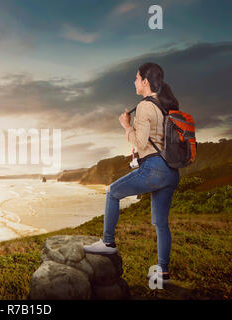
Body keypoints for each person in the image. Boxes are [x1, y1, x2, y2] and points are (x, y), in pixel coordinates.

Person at [83, 62, 180, 284]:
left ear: (145, 81)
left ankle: (108, 243)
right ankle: (162, 272)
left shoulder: (146, 106)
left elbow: (140, 141)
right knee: (161, 223)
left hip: (154, 168)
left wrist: (126, 126)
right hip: (171, 172)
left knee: (113, 192)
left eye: (136, 78)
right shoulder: (165, 106)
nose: (134, 82)